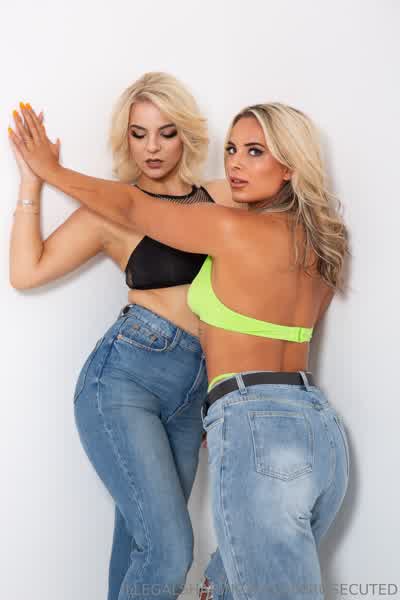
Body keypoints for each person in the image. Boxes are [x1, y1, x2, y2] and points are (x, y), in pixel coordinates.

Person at [10, 100, 350, 600]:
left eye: (254, 152)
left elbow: (131, 207)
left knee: (224, 575)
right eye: (231, 149)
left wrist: (50, 170)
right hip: (315, 426)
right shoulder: (319, 241)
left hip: (250, 418)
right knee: (220, 578)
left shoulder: (229, 222)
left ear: (290, 166)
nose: (235, 163)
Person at [8, 72, 236, 600]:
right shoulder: (113, 209)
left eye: (166, 132)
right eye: (139, 133)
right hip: (126, 378)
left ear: (186, 136)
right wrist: (32, 182)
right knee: (170, 551)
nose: (152, 147)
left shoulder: (221, 196)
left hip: (194, 392)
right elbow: (26, 271)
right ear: (125, 138)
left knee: (142, 544)